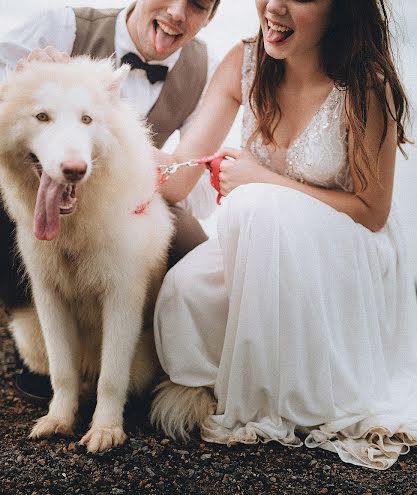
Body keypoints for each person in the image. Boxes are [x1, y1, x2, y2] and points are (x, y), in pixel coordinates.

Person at [151, 0, 417, 470]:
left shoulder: (366, 86)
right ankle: (228, 375)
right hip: (265, 241)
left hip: (349, 249)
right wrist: (90, 135)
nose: (274, 6)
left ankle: (273, 397)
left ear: (341, 10)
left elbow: (372, 213)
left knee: (257, 205)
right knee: (184, 290)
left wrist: (263, 181)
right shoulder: (244, 62)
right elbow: (177, 176)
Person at [0, 0, 220, 400]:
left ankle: (166, 363)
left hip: (136, 190)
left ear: (210, 17)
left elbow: (191, 183)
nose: (176, 12)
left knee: (198, 253)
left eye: (197, 5)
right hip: (44, 175)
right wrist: (21, 79)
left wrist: (128, 155)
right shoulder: (62, 24)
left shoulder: (206, 69)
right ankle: (42, 356)